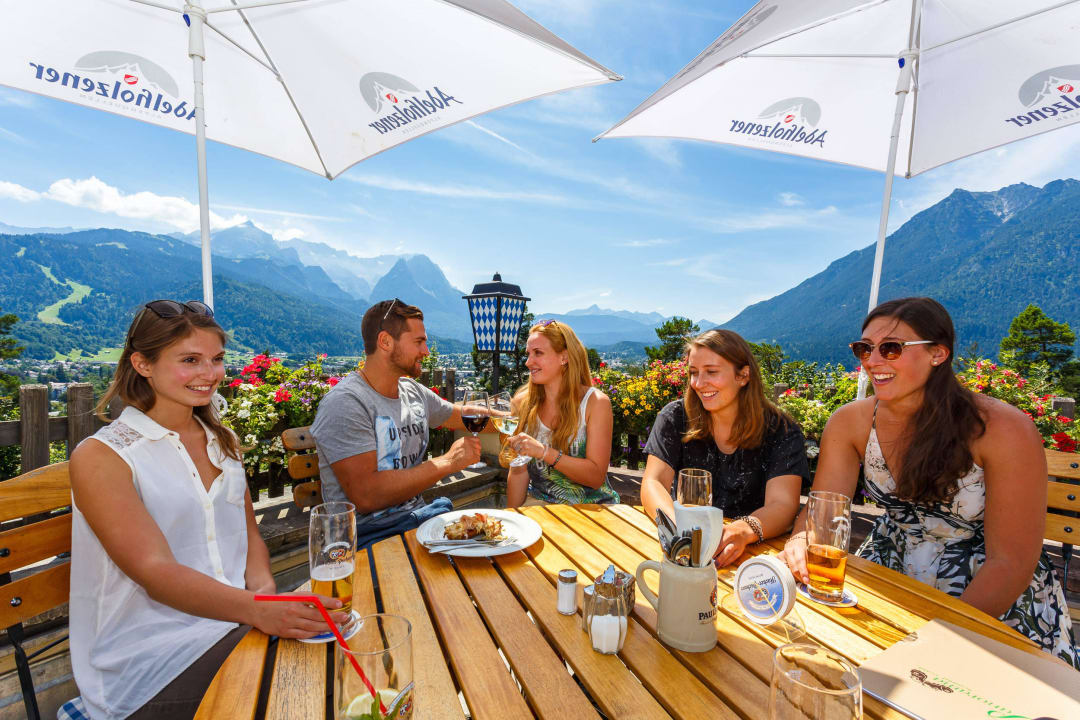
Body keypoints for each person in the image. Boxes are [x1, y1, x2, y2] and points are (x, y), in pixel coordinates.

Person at [69, 300, 347, 720]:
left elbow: (248, 533)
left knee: (344, 638)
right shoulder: (103, 456)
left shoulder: (221, 440)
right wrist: (258, 610)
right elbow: (156, 573)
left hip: (233, 622)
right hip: (150, 661)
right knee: (311, 683)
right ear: (142, 364)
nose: (209, 374)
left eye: (216, 359)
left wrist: (267, 597)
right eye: (189, 360)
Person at [779, 297, 1078, 666]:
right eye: (864, 349)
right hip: (888, 575)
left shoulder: (1002, 428)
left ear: (938, 354)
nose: (872, 361)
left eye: (891, 349)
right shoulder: (850, 422)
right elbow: (821, 515)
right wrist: (800, 540)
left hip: (988, 596)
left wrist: (937, 645)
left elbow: (1011, 562)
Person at [311, 298, 484, 547]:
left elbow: (463, 415)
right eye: (419, 342)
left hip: (415, 524)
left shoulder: (411, 391)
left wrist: (520, 418)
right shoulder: (346, 403)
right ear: (385, 342)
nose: (426, 351)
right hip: (366, 538)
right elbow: (367, 496)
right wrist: (449, 462)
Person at [641, 329, 806, 567]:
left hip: (756, 556)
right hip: (685, 553)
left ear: (743, 376)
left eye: (711, 372)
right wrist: (679, 527)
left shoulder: (781, 430)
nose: (698, 383)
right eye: (693, 373)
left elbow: (783, 505)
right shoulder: (675, 417)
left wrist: (742, 530)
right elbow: (653, 483)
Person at [505, 320, 620, 506]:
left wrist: (544, 452)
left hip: (593, 509)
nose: (528, 362)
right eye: (528, 354)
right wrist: (512, 518)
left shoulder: (595, 403)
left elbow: (595, 476)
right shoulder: (522, 403)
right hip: (540, 506)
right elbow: (518, 471)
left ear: (564, 357)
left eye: (538, 353)